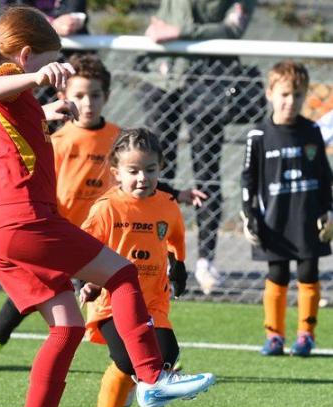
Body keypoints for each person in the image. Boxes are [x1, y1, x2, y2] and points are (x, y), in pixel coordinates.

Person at [0, 7, 214, 407]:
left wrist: (45, 107)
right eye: (48, 61)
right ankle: (152, 376)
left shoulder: (17, 98)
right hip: (25, 219)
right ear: (26, 56)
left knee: (66, 327)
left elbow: (9, 121)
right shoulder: (3, 83)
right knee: (121, 273)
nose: (54, 71)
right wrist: (35, 79)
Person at [0, 53, 206, 374]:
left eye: (95, 95)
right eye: (79, 95)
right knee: (27, 296)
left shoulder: (118, 138)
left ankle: (137, 363)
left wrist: (177, 194)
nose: (88, 102)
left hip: (102, 232)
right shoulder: (56, 139)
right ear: (63, 96)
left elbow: (142, 176)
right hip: (57, 229)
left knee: (112, 289)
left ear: (107, 96)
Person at [138, 0, 256, 294]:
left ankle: (206, 260)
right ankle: (160, 255)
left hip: (208, 81)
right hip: (162, 78)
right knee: (158, 171)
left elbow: (231, 28)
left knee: (206, 170)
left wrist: (180, 31)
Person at [80, 128, 188, 407]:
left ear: (161, 169)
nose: (143, 178)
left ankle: (127, 388)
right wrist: (87, 281)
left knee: (167, 353)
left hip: (153, 300)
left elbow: (176, 239)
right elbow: (83, 248)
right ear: (116, 173)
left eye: (150, 170)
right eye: (133, 171)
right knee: (128, 358)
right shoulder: (106, 208)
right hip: (111, 301)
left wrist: (179, 267)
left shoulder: (167, 205)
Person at [240, 60, 332, 357]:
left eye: (297, 95)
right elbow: (248, 178)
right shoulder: (258, 135)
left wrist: (329, 210)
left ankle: (306, 334)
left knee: (308, 272)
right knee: (277, 273)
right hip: (274, 219)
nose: (290, 102)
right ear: (270, 93)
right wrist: (248, 214)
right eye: (284, 94)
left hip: (308, 217)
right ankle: (274, 336)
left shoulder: (312, 132)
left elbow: (324, 175)